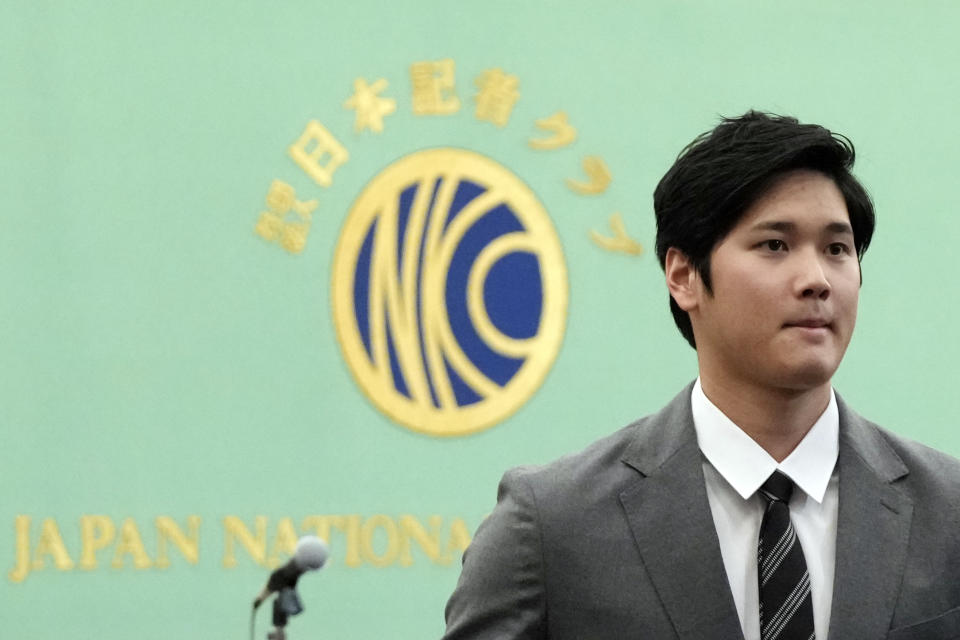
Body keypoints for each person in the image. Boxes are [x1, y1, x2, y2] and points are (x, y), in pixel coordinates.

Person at [442, 111, 960, 639]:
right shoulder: (553, 527)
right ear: (683, 275)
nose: (817, 280)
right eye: (775, 245)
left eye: (836, 249)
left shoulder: (950, 513)